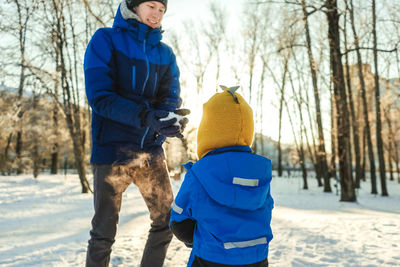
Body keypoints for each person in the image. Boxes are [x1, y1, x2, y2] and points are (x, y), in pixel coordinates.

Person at [83, 0, 189, 266]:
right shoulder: (105, 40)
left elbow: (170, 96)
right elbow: (101, 97)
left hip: (150, 152)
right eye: (151, 6)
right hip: (112, 151)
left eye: (162, 9)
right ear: (133, 6)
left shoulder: (165, 53)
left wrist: (167, 119)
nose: (156, 14)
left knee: (167, 222)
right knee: (103, 232)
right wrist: (146, 116)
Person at [170, 86, 274, 267]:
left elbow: (178, 220)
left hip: (210, 258)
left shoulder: (199, 173)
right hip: (257, 259)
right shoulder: (260, 173)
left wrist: (194, 237)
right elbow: (265, 210)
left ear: (207, 131)